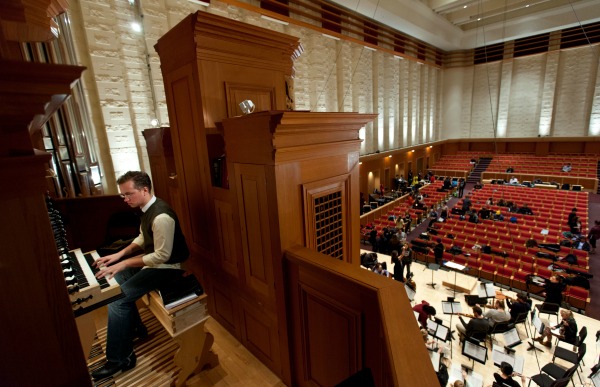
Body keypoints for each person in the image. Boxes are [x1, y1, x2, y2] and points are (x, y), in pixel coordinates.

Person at [91, 171, 190, 380]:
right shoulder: (146, 208)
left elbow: (162, 256)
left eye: (129, 194)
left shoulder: (162, 215)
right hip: (157, 263)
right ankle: (135, 327)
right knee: (115, 283)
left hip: (169, 268)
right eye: (123, 196)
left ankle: (121, 359)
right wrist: (119, 255)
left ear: (144, 190)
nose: (125, 200)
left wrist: (124, 262)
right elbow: (143, 236)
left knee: (117, 302)